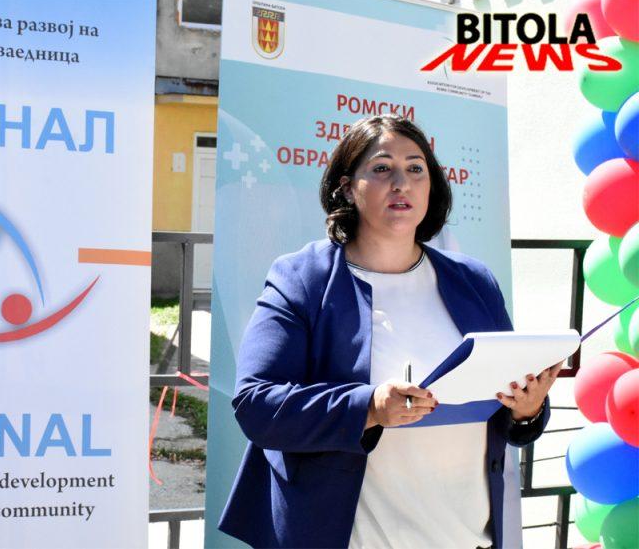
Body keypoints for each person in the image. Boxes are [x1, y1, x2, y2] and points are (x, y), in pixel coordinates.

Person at [217, 115, 561, 549]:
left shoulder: (474, 281)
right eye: (382, 168)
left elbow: (511, 415)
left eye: (416, 168)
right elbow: (256, 404)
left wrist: (527, 409)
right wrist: (370, 407)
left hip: (466, 538)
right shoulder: (303, 278)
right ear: (347, 187)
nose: (402, 183)